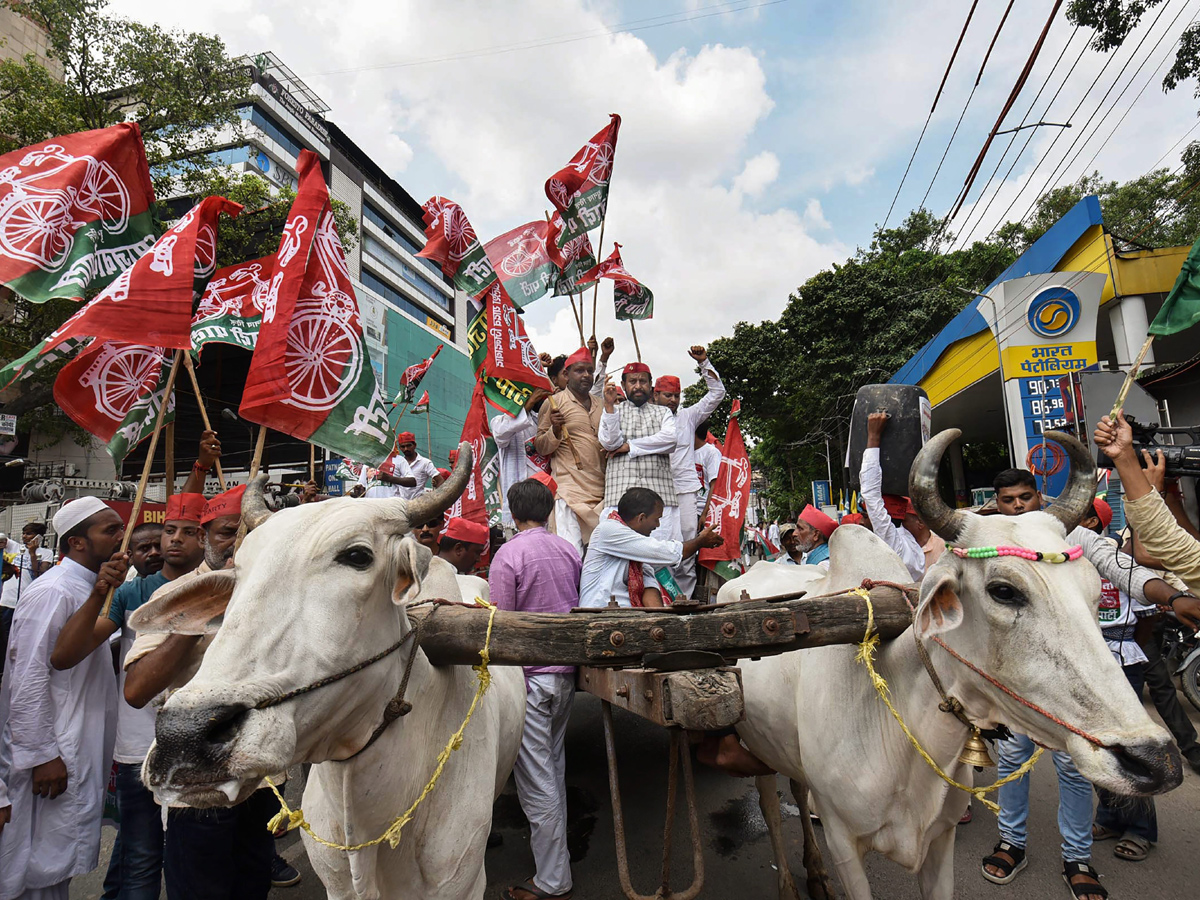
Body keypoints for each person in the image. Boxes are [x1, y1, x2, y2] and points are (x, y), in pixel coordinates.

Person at [980, 468, 1198, 899]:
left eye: (1025, 497)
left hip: (1075, 681)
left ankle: (1077, 858)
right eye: (1008, 500)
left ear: (1039, 497)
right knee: (1011, 762)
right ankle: (1011, 843)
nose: (1019, 506)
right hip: (1017, 682)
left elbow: (1124, 570)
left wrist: (1172, 598)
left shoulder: (1074, 538)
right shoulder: (991, 543)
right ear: (998, 503)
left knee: (1075, 769)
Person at [124, 484, 284, 899]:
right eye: (228, 532)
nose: (241, 543)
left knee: (252, 883)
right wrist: (204, 609)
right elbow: (137, 690)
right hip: (197, 777)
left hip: (264, 775)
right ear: (203, 538)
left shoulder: (284, 598)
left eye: (253, 533)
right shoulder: (174, 595)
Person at [50, 494, 207, 900]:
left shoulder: (221, 588)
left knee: (193, 865)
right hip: (138, 749)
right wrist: (99, 591)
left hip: (200, 751)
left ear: (204, 540)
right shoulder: (129, 594)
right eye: (167, 532)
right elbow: (65, 655)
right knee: (140, 859)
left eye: (187, 533)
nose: (171, 543)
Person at [0, 497, 126, 900]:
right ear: (77, 543)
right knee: (36, 866)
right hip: (54, 752)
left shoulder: (94, 587)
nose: (120, 536)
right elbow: (28, 678)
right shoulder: (54, 591)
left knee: (58, 864)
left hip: (76, 744)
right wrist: (42, 755)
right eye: (110, 530)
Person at [489, 479, 582, 900]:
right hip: (564, 677)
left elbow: (500, 625)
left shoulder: (508, 555)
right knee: (552, 770)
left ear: (513, 513)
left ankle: (552, 880)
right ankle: (553, 866)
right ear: (547, 512)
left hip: (529, 681)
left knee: (538, 781)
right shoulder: (568, 549)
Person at [1081, 499, 1161, 864]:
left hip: (1122, 659)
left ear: (1092, 522)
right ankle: (1110, 817)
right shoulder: (1070, 562)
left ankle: (1140, 830)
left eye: (1080, 516)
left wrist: (1126, 648)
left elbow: (1145, 617)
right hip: (1090, 660)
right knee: (1095, 745)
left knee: (1128, 748)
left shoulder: (1119, 561)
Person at [654, 346, 726, 598]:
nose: (672, 400)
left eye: (676, 395)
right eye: (667, 395)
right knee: (659, 546)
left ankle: (682, 600)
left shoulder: (688, 417)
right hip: (657, 491)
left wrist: (704, 363)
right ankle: (660, 599)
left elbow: (717, 393)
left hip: (686, 492)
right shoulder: (646, 418)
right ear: (655, 396)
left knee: (687, 546)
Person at [579, 487, 721, 608]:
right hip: (599, 612)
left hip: (626, 615)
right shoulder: (608, 529)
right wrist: (699, 542)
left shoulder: (636, 548)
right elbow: (666, 552)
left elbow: (648, 584)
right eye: (656, 519)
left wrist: (661, 620)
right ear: (641, 518)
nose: (657, 525)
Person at [535, 347, 607, 555]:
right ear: (566, 374)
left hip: (601, 492)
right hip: (569, 491)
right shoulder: (554, 403)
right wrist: (555, 431)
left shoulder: (602, 405)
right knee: (571, 554)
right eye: (579, 371)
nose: (586, 375)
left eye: (589, 371)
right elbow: (540, 446)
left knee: (598, 558)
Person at [599, 364, 677, 539]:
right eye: (632, 381)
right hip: (619, 499)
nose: (638, 386)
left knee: (663, 558)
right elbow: (610, 444)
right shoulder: (612, 411)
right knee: (621, 560)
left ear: (651, 385)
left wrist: (629, 446)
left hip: (660, 500)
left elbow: (670, 440)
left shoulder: (663, 412)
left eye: (643, 381)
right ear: (624, 384)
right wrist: (609, 407)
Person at [860, 412, 925, 580]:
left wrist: (873, 437)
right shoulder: (909, 542)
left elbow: (870, 493)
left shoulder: (892, 542)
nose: (861, 521)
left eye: (866, 515)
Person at [1, 522, 53, 676]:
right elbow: (2, 538)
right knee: (3, 637)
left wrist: (32, 553)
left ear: (38, 537)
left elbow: (39, 575)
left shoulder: (46, 553)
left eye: (29, 534)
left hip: (25, 602)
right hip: (6, 600)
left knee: (19, 638)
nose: (25, 536)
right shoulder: (16, 547)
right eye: (24, 533)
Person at [693, 423, 722, 517]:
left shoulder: (711, 453)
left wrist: (705, 514)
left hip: (701, 510)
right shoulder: (685, 452)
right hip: (687, 509)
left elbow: (715, 485)